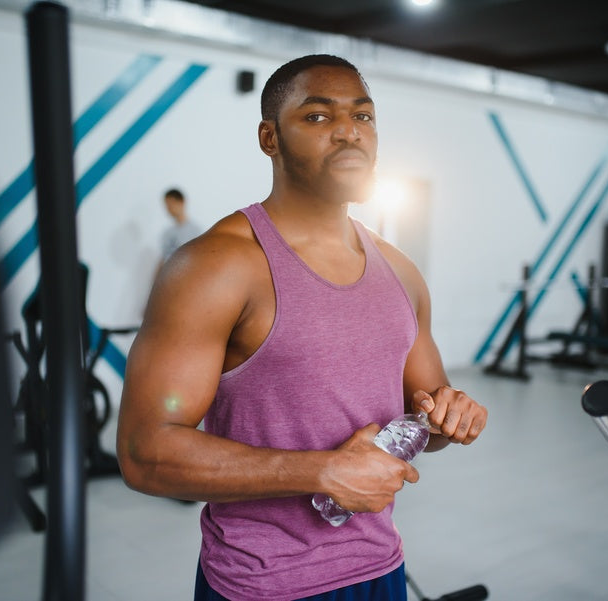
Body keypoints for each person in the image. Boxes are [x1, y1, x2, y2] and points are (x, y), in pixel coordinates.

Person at [117, 54, 488, 601]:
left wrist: (450, 416)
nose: (348, 132)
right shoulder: (215, 266)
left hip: (380, 569)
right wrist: (323, 472)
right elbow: (144, 453)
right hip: (262, 584)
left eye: (363, 117)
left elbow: (425, 422)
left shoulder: (402, 272)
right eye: (317, 116)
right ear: (269, 137)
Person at [156, 187, 202, 278]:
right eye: (167, 206)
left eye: (171, 204)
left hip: (184, 279)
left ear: (181, 202)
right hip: (166, 280)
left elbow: (199, 260)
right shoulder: (167, 233)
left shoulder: (195, 231)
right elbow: (163, 258)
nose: (168, 209)